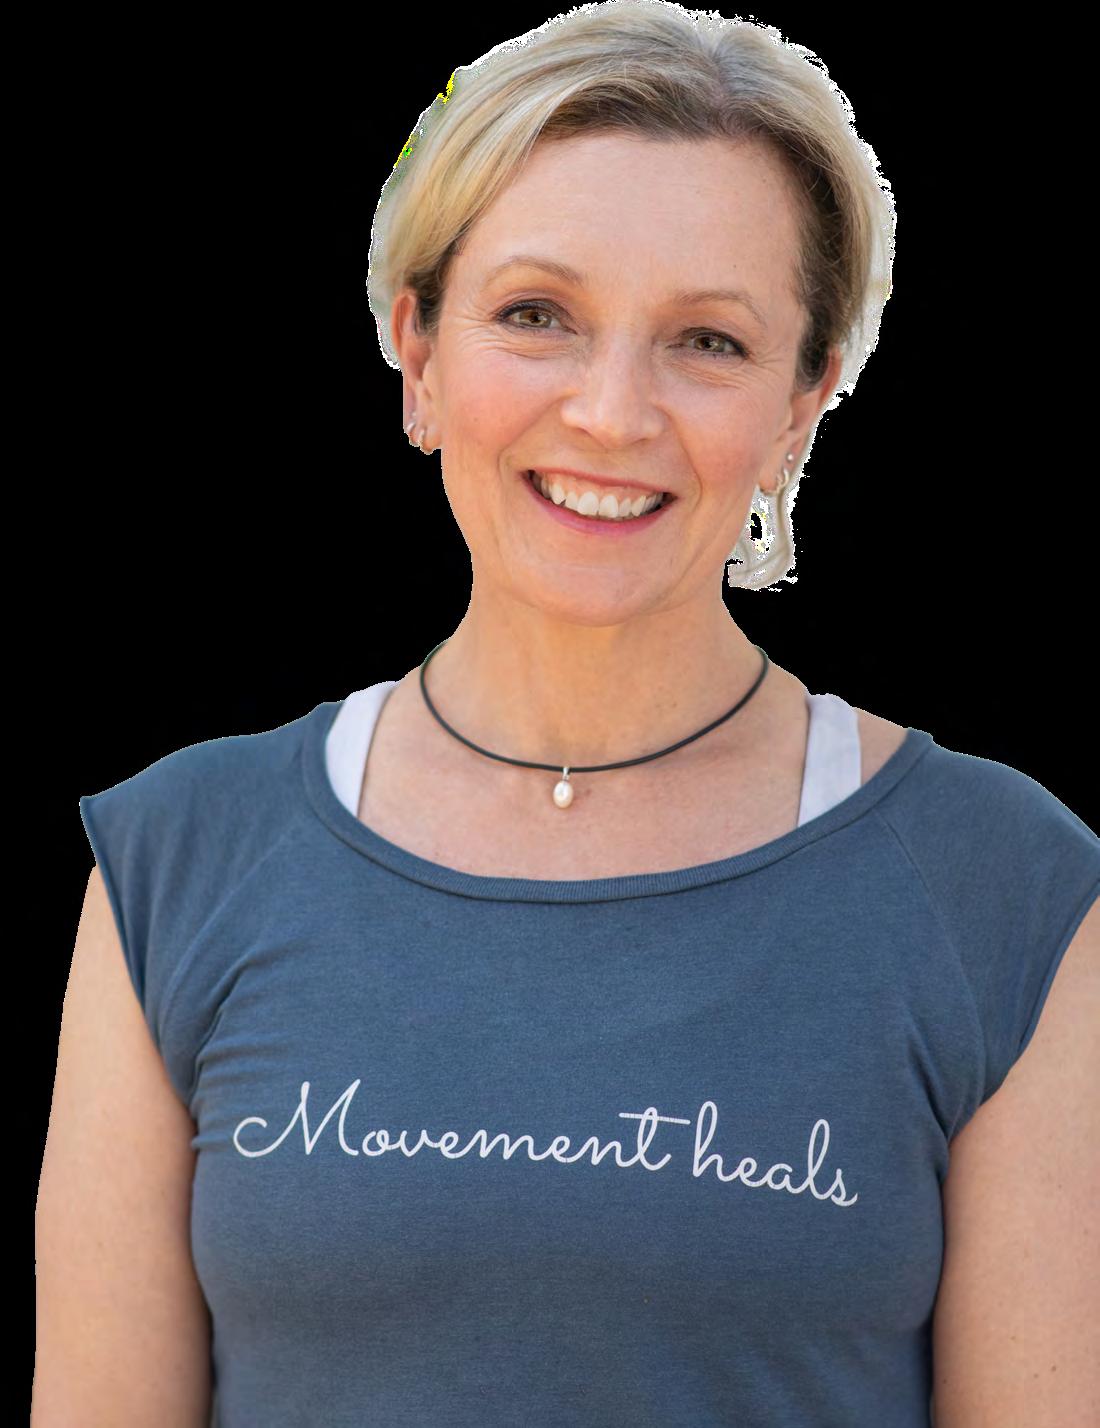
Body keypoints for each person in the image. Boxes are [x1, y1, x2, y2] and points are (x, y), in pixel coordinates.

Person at [36, 4, 1099, 1425]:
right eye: (537, 315)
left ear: (802, 407)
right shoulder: (180, 859)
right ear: (417, 348)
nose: (611, 411)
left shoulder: (1000, 885)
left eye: (708, 340)